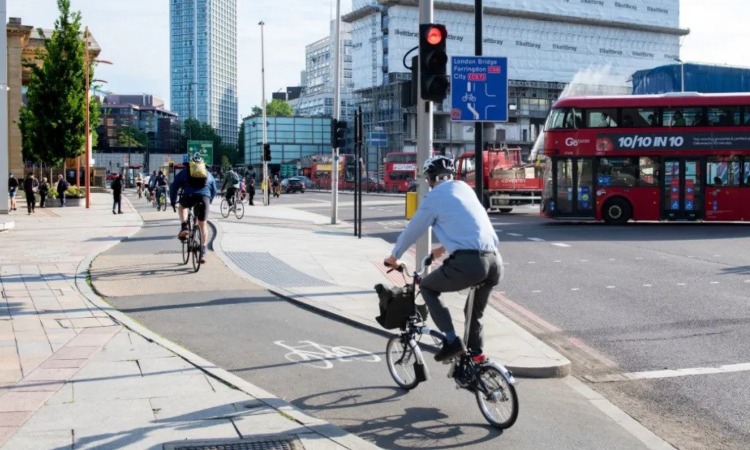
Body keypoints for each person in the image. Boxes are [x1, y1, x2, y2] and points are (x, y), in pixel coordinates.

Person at [383, 156, 502, 363]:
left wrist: (394, 257)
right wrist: (440, 250)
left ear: (430, 178)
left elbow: (413, 230)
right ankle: (475, 360)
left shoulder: (434, 198)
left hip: (471, 264)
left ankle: (451, 341)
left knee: (428, 287)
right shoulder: (464, 188)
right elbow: (467, 225)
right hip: (494, 262)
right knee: (473, 312)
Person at [170, 156, 217, 264]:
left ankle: (184, 226)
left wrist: (173, 201)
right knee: (203, 225)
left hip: (189, 195)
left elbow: (174, 186)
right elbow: (214, 190)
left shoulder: (185, 171)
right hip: (204, 198)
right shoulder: (207, 174)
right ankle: (203, 252)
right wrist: (209, 201)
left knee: (182, 206)